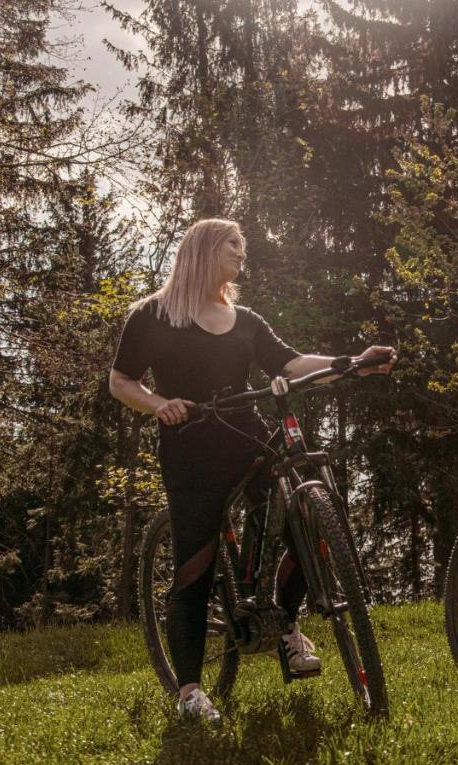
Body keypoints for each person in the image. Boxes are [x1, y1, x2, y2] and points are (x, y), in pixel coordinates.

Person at [109, 218, 395, 725]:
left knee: (302, 525)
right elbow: (120, 380)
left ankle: (284, 623)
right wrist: (158, 404)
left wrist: (352, 361)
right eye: (233, 245)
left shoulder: (245, 320)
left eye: (242, 246)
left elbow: (291, 363)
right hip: (191, 446)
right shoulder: (153, 315)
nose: (243, 253)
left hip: (248, 438)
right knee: (195, 567)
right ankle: (190, 693)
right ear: (204, 250)